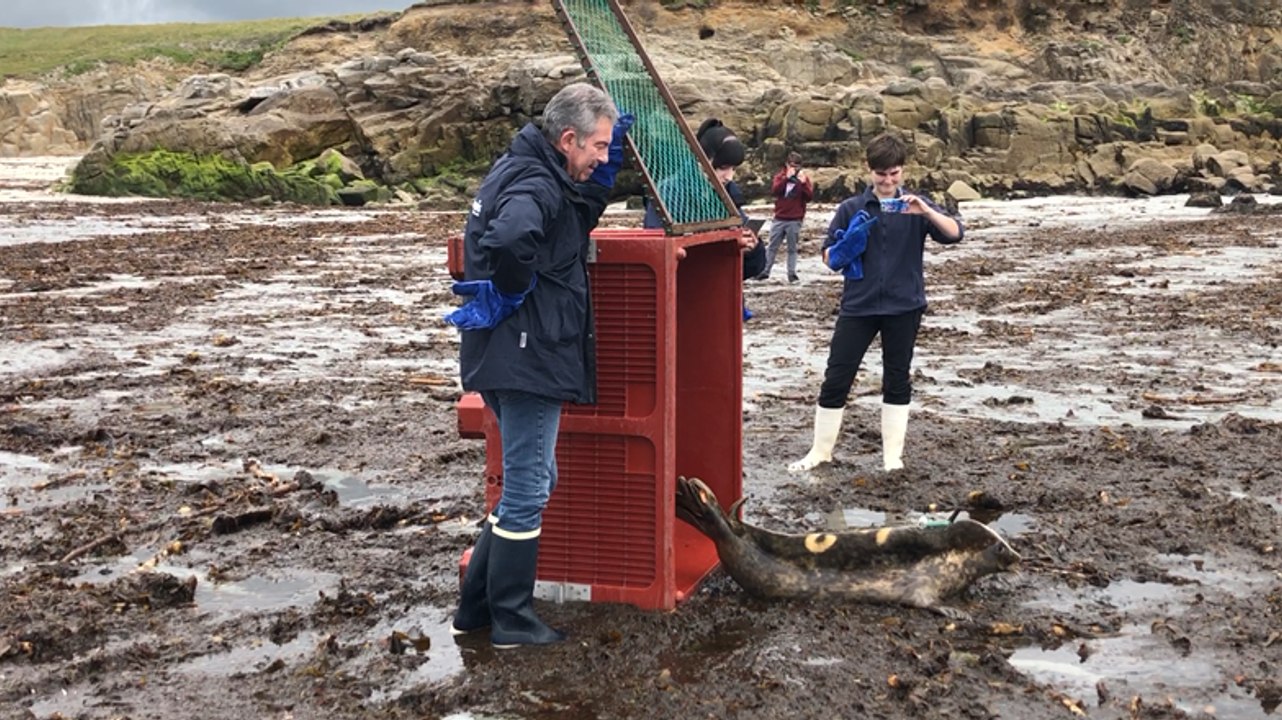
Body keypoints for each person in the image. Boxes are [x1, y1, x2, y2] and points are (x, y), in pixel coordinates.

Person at [443, 82, 632, 647]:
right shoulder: (534, 181)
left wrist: (612, 156)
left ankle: (475, 610)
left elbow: (573, 214)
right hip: (528, 353)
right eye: (598, 146)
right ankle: (512, 619)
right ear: (567, 138)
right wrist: (515, 290)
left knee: (535, 477)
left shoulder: (533, 169)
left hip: (508, 352)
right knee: (527, 485)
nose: (602, 157)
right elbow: (510, 239)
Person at [788, 133, 963, 474]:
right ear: (869, 170)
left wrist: (925, 210)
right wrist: (844, 248)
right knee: (837, 378)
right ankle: (820, 452)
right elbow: (828, 258)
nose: (887, 181)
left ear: (903, 171)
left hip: (904, 306)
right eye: (881, 174)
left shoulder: (916, 206)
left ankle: (892, 459)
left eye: (894, 173)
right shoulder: (851, 208)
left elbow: (955, 233)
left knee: (896, 379)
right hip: (858, 306)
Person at [644, 118, 765, 318]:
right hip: (682, 305)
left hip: (720, 305)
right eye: (723, 167)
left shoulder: (730, 198)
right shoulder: (668, 193)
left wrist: (752, 249)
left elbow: (749, 269)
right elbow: (657, 253)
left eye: (734, 168)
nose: (729, 176)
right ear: (701, 159)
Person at [759, 151, 813, 283]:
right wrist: (786, 179)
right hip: (779, 217)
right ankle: (765, 271)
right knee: (772, 246)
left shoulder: (804, 179)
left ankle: (792, 273)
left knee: (792, 248)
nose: (794, 168)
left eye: (797, 166)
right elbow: (775, 191)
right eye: (792, 165)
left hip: (795, 219)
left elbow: (809, 197)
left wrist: (804, 183)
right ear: (787, 164)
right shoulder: (780, 176)